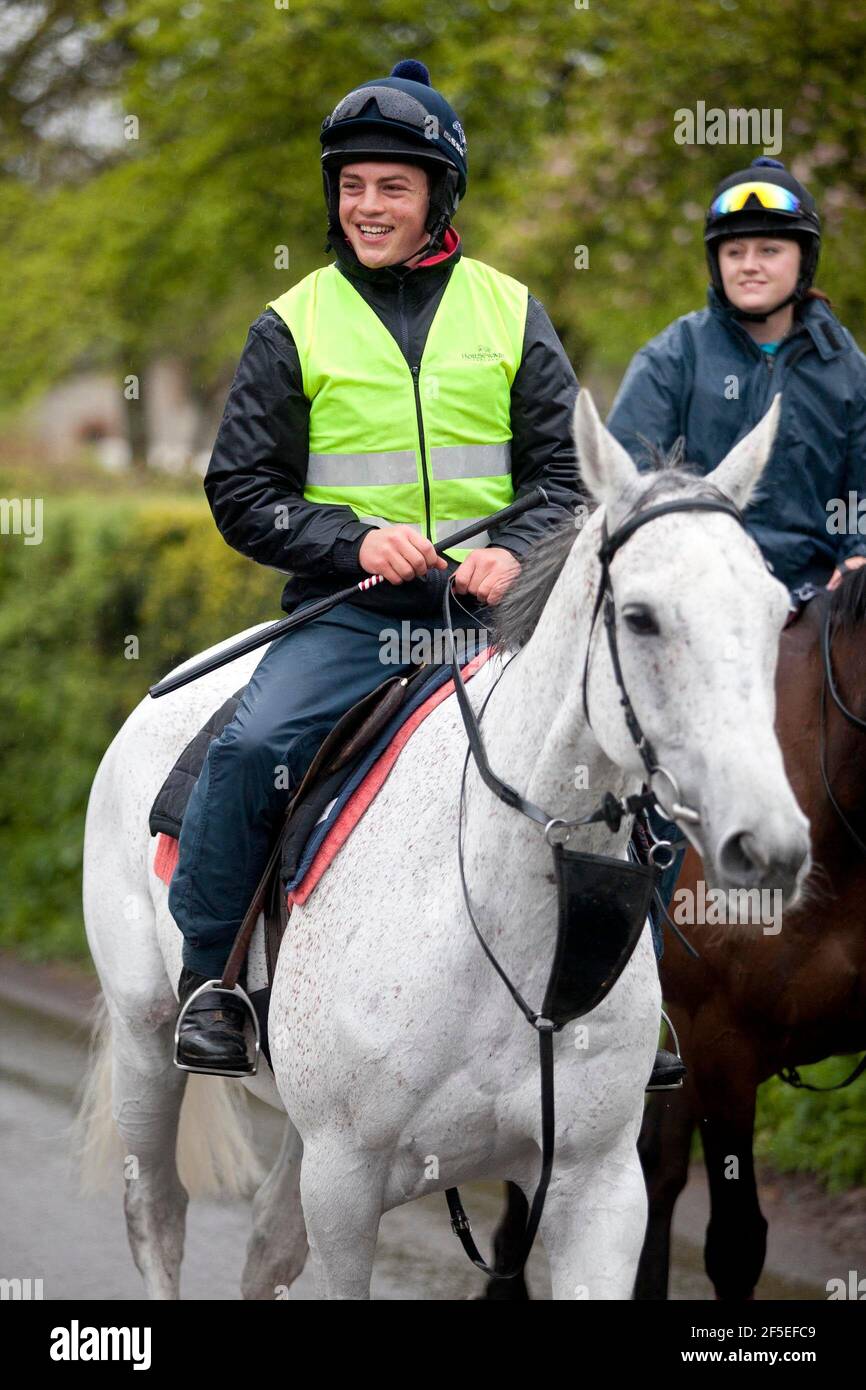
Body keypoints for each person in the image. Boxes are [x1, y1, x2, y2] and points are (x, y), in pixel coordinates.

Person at [169, 59, 584, 1074]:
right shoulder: (291, 323)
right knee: (251, 744)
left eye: (390, 186)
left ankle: (630, 1000)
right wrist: (351, 540)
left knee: (620, 754)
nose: (366, 205)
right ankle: (211, 984)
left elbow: (569, 476)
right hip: (353, 615)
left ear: (438, 195)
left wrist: (514, 550)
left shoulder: (509, 310)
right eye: (350, 186)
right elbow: (242, 492)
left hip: (500, 617)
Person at [607, 155, 866, 980]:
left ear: (802, 262)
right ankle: (637, 966)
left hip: (817, 606)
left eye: (770, 250)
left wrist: (858, 545)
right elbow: (627, 492)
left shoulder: (845, 366)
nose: (750, 265)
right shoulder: (673, 355)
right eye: (735, 251)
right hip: (702, 614)